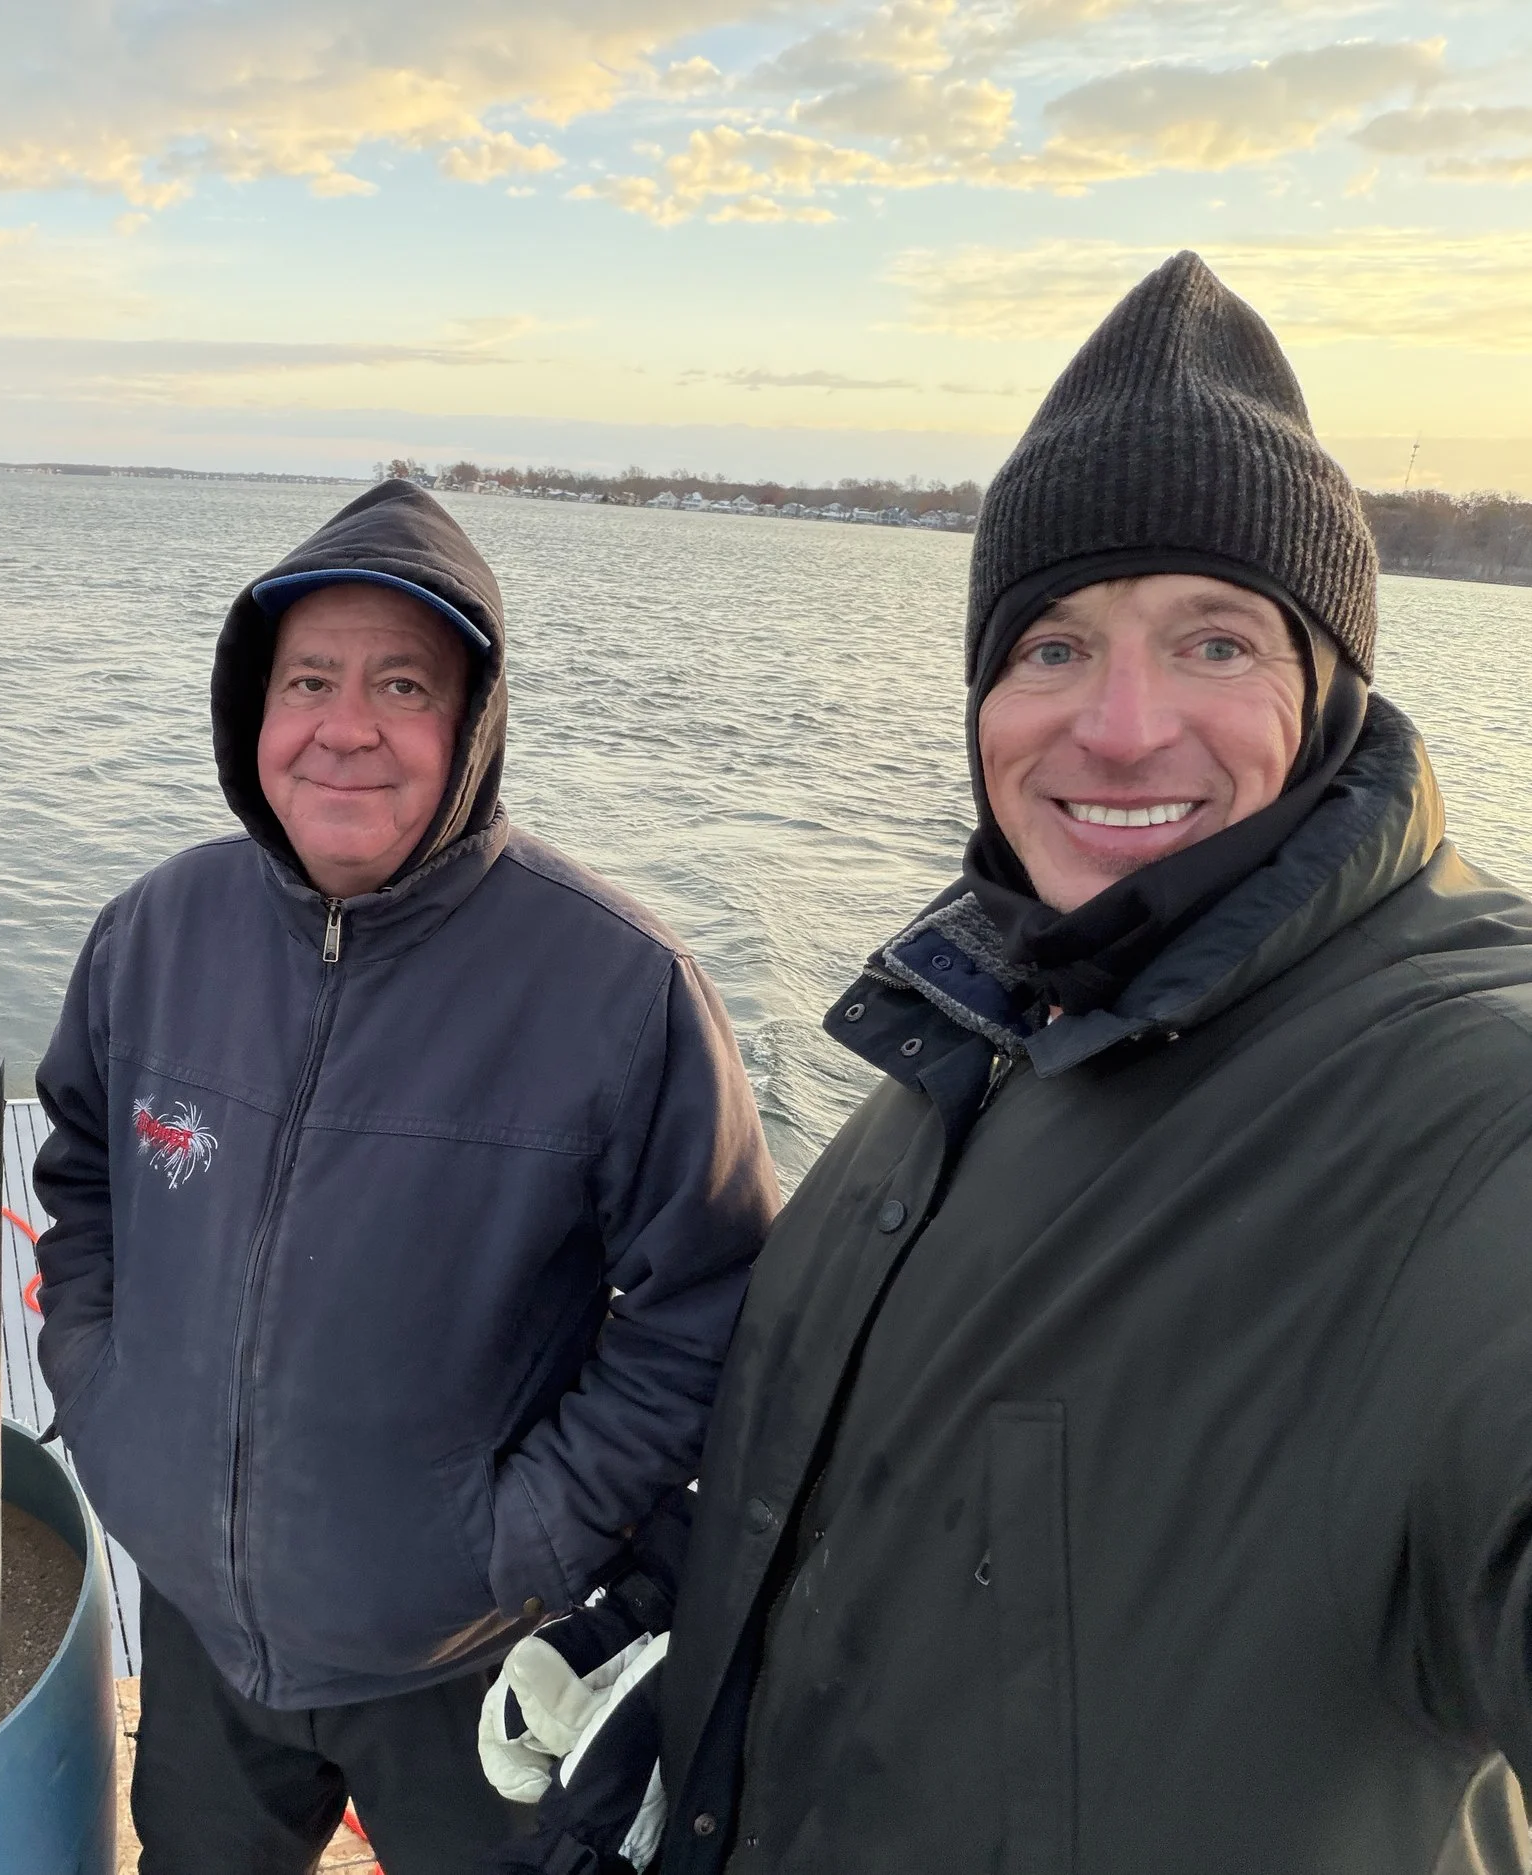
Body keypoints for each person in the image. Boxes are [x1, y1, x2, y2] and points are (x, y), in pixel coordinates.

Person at [488, 252, 1532, 1875]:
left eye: (1213, 641)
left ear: (1330, 686)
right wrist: (672, 1627)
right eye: (1051, 644)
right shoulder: (972, 1041)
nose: (1116, 726)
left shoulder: (1455, 1105)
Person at [31, 479, 779, 1875]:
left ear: (472, 727)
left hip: (463, 1655)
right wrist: (102, 1389)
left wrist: (522, 1536)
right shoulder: (153, 932)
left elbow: (713, 1306)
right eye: (310, 678)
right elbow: (78, 1171)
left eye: (402, 684)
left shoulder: (621, 988)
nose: (348, 724)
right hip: (197, 1622)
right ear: (254, 709)